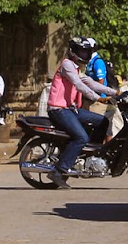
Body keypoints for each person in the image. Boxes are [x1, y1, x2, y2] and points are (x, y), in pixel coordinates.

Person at [44, 37, 118, 187]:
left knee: (102, 121)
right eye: (82, 51)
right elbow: (78, 85)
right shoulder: (67, 65)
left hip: (71, 110)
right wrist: (98, 98)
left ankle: (90, 154)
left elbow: (91, 83)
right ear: (73, 51)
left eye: (87, 52)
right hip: (59, 110)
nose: (85, 54)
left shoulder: (77, 68)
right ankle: (58, 171)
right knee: (81, 137)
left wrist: (116, 92)